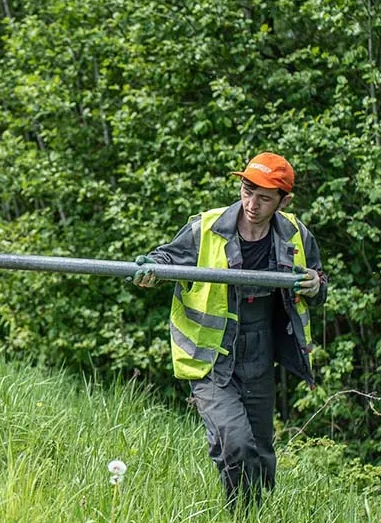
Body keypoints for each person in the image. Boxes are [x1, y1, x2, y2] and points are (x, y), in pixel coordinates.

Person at [132, 152, 327, 508]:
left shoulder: (295, 234)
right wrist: (151, 269)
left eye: (264, 197)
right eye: (246, 190)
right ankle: (240, 512)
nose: (252, 203)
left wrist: (315, 284)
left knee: (261, 453)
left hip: (260, 352)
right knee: (235, 442)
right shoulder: (205, 228)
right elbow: (165, 259)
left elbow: (316, 281)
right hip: (210, 356)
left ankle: (255, 512)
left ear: (284, 201)